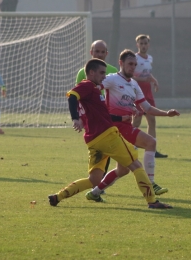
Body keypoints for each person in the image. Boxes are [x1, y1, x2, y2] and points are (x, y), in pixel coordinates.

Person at [48, 58, 173, 209]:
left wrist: (121, 117)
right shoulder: (87, 85)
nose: (103, 76)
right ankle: (152, 201)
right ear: (91, 72)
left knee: (94, 179)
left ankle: (58, 196)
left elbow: (102, 115)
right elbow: (72, 96)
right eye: (101, 73)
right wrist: (75, 118)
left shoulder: (94, 91)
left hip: (94, 140)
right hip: (107, 136)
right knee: (136, 165)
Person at [87, 49, 180, 198]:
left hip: (126, 127)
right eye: (130, 64)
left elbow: (147, 108)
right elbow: (93, 87)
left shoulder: (134, 85)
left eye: (135, 64)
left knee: (122, 170)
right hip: (115, 127)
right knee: (151, 142)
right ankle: (151, 183)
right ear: (121, 63)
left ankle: (95, 192)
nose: (133, 67)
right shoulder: (112, 79)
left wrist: (166, 113)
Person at [75, 40, 118, 182]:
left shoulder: (113, 71)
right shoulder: (83, 72)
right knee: (96, 151)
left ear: (107, 54)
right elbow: (77, 97)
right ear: (91, 52)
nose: (99, 54)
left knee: (109, 151)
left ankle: (99, 183)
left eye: (102, 52)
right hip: (92, 119)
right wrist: (79, 117)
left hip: (109, 117)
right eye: (96, 51)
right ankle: (96, 182)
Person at [132, 34, 167, 158]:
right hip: (137, 92)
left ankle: (152, 149)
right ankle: (129, 145)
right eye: (141, 43)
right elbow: (131, 75)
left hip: (148, 92)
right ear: (137, 45)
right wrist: (143, 79)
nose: (143, 45)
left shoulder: (149, 58)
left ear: (148, 45)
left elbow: (148, 74)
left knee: (152, 121)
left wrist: (154, 81)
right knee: (136, 120)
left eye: (145, 43)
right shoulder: (134, 58)